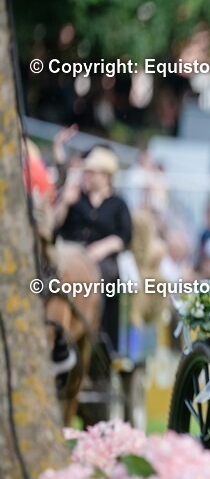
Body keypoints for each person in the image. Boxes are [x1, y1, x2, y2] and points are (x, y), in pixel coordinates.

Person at [54, 145, 133, 348]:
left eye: (91, 172)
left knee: (101, 275)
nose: (86, 176)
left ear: (106, 175)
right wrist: (65, 202)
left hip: (100, 256)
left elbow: (124, 235)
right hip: (69, 250)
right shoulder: (75, 197)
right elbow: (56, 224)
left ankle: (97, 331)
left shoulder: (118, 204)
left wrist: (101, 248)